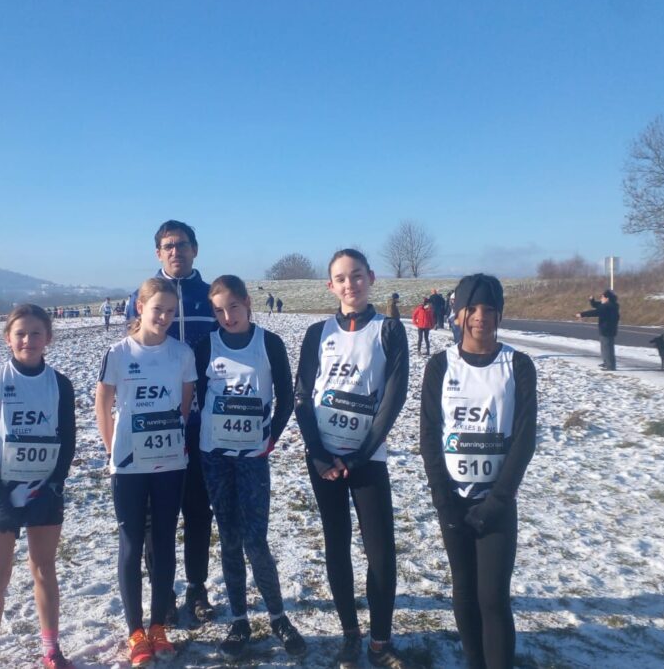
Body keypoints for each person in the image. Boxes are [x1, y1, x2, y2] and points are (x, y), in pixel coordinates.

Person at [294, 248, 410, 668]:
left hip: (367, 458)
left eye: (356, 276)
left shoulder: (390, 330)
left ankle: (380, 641)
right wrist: (318, 453)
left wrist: (361, 455)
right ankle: (349, 634)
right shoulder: (317, 333)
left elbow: (393, 399)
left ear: (371, 278)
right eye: (341, 278)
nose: (350, 285)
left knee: (380, 551)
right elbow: (302, 397)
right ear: (331, 286)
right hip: (324, 457)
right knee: (336, 544)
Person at [420, 273, 537, 669]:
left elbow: (524, 439)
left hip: (497, 503)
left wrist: (500, 499)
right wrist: (442, 499)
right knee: (465, 593)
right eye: (472, 308)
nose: (481, 317)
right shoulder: (440, 366)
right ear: (457, 313)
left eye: (490, 309)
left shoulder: (518, 365)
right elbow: (430, 435)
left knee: (492, 597)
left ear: (500, 314)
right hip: (453, 501)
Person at [195, 275, 306, 659]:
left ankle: (278, 617)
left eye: (234, 308)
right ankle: (240, 620)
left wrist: (270, 439)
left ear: (247, 304)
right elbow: (192, 396)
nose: (228, 317)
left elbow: (287, 398)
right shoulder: (205, 345)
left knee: (256, 540)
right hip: (216, 458)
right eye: (220, 311)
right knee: (229, 539)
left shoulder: (268, 343)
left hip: (253, 458)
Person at [96, 278, 197, 667]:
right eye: (158, 309)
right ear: (140, 308)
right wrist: (113, 451)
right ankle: (135, 630)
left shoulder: (182, 353)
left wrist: (168, 442)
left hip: (170, 464)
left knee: (166, 541)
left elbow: (185, 407)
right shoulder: (118, 353)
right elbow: (102, 406)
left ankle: (158, 626)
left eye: (172, 311)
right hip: (129, 467)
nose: (166, 317)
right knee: (131, 544)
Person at [0, 304, 77, 669]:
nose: (28, 340)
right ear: (8, 338)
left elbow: (68, 439)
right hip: (2, 492)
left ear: (48, 338)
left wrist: (55, 483)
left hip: (44, 491)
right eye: (20, 333)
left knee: (44, 569)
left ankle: (51, 649)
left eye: (36, 333)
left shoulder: (60, 384)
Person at [125, 220, 217, 624]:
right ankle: (162, 592)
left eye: (182, 245)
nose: (175, 251)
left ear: (195, 249)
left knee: (198, 510)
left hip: (199, 422)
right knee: (153, 517)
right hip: (152, 426)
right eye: (167, 246)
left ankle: (197, 589)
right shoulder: (140, 297)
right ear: (158, 253)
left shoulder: (210, 296)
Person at [576, 290, 620, 370]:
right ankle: (606, 363)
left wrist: (582, 314)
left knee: (607, 349)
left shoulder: (607, 306)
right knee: (605, 348)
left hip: (607, 330)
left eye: (602, 297)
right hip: (607, 329)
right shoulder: (611, 305)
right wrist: (592, 300)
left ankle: (610, 366)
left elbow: (595, 312)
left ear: (607, 298)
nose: (601, 298)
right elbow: (596, 305)